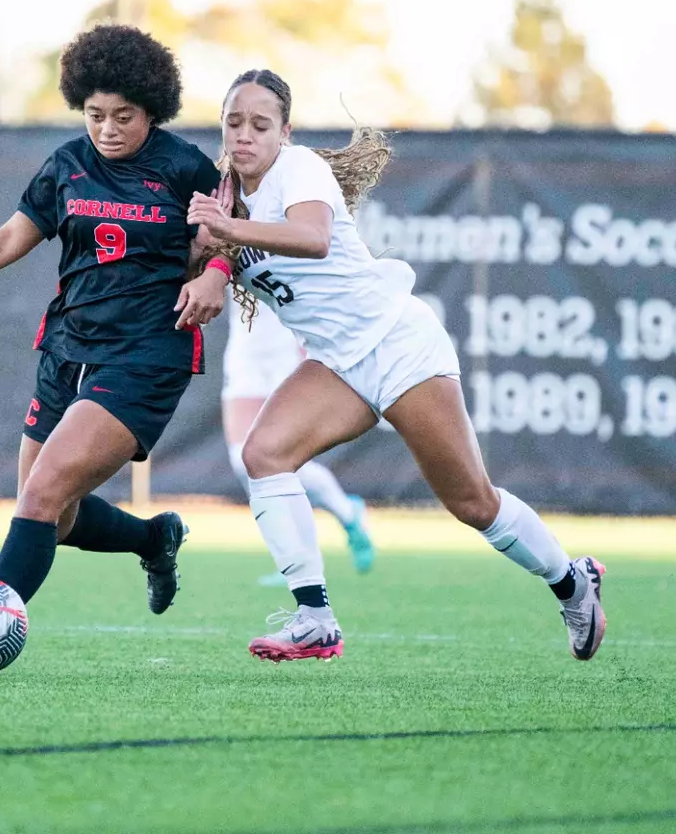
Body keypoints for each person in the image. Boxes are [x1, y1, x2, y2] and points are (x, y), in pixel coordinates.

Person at [188, 69, 606, 663]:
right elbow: (220, 254)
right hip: (338, 363)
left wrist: (222, 234)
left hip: (396, 342)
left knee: (472, 505)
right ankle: (314, 618)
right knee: (262, 456)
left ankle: (571, 580)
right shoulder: (224, 193)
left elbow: (311, 237)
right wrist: (203, 262)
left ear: (285, 131)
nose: (245, 135)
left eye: (261, 124)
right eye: (234, 122)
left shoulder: (298, 167)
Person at [0, 23, 231, 675]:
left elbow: (229, 239)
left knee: (38, 498)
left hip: (146, 356)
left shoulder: (185, 169)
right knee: (53, 517)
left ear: (153, 110)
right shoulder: (65, 165)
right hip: (67, 350)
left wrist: (213, 272)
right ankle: (154, 538)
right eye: (95, 114)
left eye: (124, 116)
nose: (108, 128)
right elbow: (8, 241)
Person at [221, 292, 375, 577]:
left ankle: (303, 559)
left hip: (285, 349)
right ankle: (342, 515)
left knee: (282, 460)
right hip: (245, 350)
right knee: (243, 460)